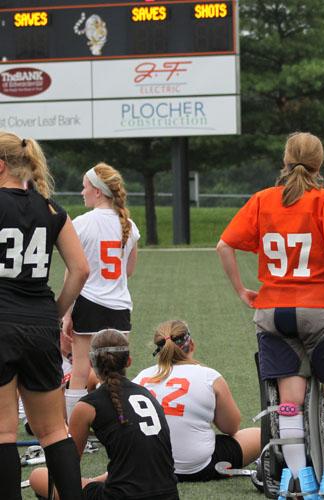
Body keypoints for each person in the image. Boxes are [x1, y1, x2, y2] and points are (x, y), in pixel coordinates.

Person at [216, 132, 324, 497]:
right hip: (323, 309)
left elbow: (224, 245)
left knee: (289, 403)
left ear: (285, 160)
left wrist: (242, 290)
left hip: (274, 310)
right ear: (320, 164)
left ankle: (297, 479)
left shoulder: (263, 199)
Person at [0, 131, 89, 500]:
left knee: (4, 432)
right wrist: (53, 311)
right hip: (39, 322)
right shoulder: (51, 208)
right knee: (54, 431)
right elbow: (80, 269)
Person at [30, 329, 179, 499]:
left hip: (122, 495)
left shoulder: (87, 406)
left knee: (38, 476)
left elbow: (68, 469)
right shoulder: (146, 394)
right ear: (128, 361)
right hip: (169, 494)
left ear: (91, 365)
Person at [134, 319, 262, 481]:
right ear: (191, 345)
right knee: (260, 434)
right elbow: (231, 427)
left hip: (146, 466)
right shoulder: (209, 376)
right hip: (196, 468)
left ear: (159, 351)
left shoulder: (140, 378)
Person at [62, 163, 139, 420]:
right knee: (116, 372)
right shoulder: (128, 224)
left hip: (89, 303)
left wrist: (66, 314)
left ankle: (75, 430)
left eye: (85, 187)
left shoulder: (81, 223)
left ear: (97, 191)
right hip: (119, 306)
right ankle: (117, 421)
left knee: (81, 370)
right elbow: (128, 271)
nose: (82, 192)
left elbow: (73, 271)